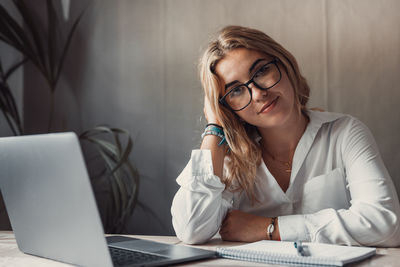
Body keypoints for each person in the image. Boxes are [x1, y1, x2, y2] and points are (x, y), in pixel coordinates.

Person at [170, 25, 400, 246]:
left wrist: (269, 228)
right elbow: (191, 229)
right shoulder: (228, 161)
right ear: (227, 107)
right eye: (236, 90)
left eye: (261, 71)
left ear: (285, 65)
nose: (259, 93)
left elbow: (386, 224)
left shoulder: (345, 133)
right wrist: (214, 127)